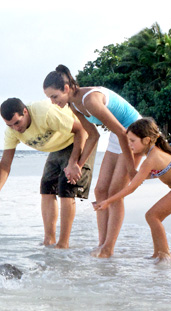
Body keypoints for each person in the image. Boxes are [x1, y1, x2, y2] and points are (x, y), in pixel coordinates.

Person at [42, 64, 141, 258]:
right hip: (118, 135)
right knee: (100, 190)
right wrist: (77, 165)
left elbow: (123, 132)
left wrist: (132, 169)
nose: (53, 102)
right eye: (50, 99)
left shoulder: (90, 99)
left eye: (54, 96)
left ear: (66, 89)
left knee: (115, 192)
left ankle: (108, 248)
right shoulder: (74, 105)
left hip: (135, 133)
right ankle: (102, 244)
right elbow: (93, 135)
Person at [0, 98, 94, 249]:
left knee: (65, 187)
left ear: (25, 111)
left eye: (17, 122)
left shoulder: (44, 113)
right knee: (46, 187)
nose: (15, 128)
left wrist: (74, 163)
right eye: (9, 125)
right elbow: (5, 164)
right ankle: (49, 241)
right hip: (58, 146)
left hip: (79, 139)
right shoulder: (11, 131)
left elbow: (81, 129)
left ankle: (63, 244)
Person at [92, 117, 171, 263]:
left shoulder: (151, 159)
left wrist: (107, 202)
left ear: (147, 140)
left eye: (132, 141)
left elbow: (131, 188)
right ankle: (158, 253)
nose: (129, 145)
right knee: (153, 216)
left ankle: (165, 254)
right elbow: (140, 178)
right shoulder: (153, 152)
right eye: (128, 140)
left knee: (152, 216)